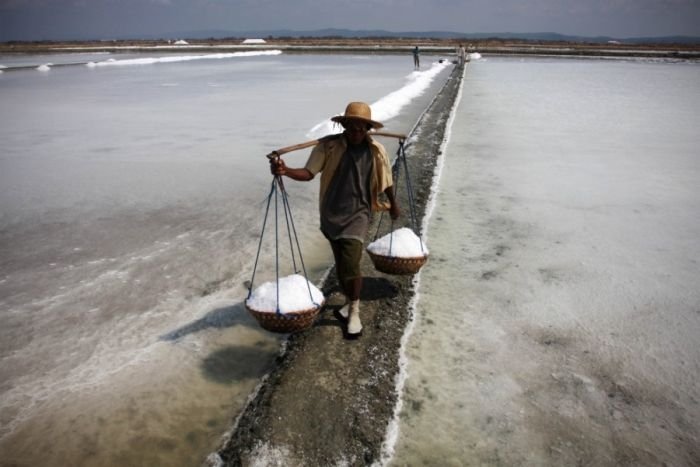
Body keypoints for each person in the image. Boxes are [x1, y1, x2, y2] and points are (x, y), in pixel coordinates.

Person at [270, 102, 400, 338]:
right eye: (352, 127)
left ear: (368, 129)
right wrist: (285, 170)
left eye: (362, 128)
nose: (357, 133)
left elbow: (386, 180)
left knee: (351, 263)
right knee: (341, 263)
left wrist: (393, 205)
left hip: (359, 214)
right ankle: (347, 302)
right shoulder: (328, 147)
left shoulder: (376, 151)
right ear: (344, 126)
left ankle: (354, 310)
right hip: (331, 214)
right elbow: (308, 173)